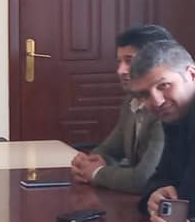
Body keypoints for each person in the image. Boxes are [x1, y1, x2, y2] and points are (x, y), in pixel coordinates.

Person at [71, 24, 173, 192]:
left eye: (129, 61)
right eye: (119, 62)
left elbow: (144, 179)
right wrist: (89, 164)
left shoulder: (166, 108)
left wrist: (95, 173)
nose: (120, 70)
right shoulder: (131, 102)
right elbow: (110, 150)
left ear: (157, 62)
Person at [130, 41, 195, 222]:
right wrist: (155, 197)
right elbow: (160, 178)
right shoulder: (177, 118)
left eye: (164, 86)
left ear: (192, 74)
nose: (156, 101)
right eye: (144, 94)